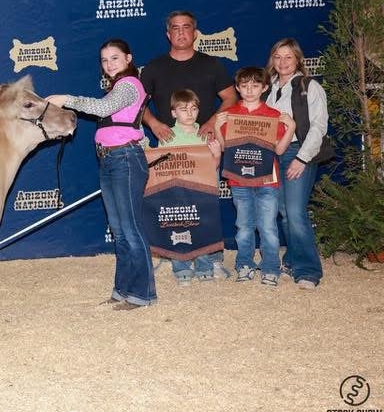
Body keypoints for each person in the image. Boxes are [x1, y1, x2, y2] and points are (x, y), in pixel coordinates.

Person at [48, 39, 156, 310]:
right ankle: (122, 291)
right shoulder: (117, 87)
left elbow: (103, 109)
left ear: (128, 58)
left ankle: (143, 295)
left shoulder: (129, 84)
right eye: (105, 60)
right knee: (120, 231)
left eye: (115, 58)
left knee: (131, 229)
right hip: (111, 159)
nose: (109, 64)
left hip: (125, 158)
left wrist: (66, 100)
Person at [215, 67, 296, 286]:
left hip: (267, 180)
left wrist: (291, 127)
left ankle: (270, 267)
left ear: (264, 88)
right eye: (244, 86)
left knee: (268, 227)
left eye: (255, 85)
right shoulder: (230, 114)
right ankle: (244, 264)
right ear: (237, 88)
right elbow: (224, 148)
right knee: (243, 226)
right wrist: (217, 127)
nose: (249, 90)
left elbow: (280, 150)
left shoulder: (273, 115)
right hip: (239, 180)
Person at [264, 38, 329, 290]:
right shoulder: (266, 88)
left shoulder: (309, 87)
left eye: (288, 57)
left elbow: (319, 127)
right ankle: (291, 260)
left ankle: (308, 271)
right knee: (283, 211)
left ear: (298, 59)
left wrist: (302, 158)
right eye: (278, 57)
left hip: (298, 151)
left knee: (295, 212)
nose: (282, 62)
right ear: (272, 60)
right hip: (273, 154)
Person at [159, 89, 229, 285]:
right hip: (177, 193)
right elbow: (162, 169)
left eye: (193, 108)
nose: (189, 113)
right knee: (177, 227)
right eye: (183, 109)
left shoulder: (205, 135)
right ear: (174, 113)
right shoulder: (167, 137)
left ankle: (204, 266)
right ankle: (181, 267)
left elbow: (212, 168)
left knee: (203, 227)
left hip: (201, 192)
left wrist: (217, 155)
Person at [140, 11, 237, 142]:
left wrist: (214, 122)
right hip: (169, 143)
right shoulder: (153, 68)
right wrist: (153, 124)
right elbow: (136, 103)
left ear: (195, 33)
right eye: (175, 28)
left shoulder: (212, 64)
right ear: (168, 35)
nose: (181, 32)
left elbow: (231, 97)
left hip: (206, 141)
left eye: (186, 27)